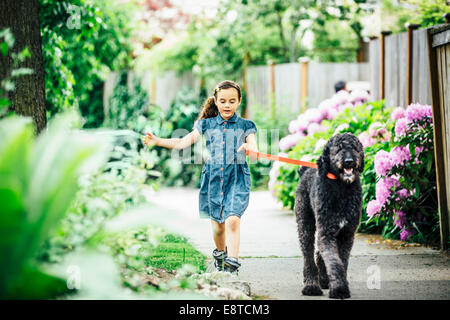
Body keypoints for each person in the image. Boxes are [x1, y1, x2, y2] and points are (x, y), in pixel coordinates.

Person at [143, 80, 258, 274]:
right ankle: (221, 256)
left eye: (232, 101)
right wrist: (158, 141)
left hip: (237, 178)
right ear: (216, 101)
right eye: (223, 101)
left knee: (232, 220)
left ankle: (231, 266)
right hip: (213, 179)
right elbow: (182, 142)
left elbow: (255, 153)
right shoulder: (206, 124)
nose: (227, 105)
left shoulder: (246, 125)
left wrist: (249, 148)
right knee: (218, 227)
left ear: (239, 102)